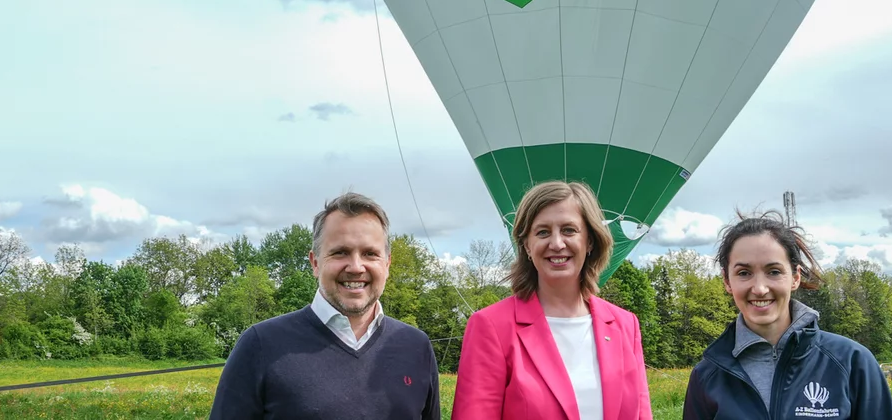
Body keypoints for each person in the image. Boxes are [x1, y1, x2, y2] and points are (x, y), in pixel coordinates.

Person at [209, 192, 440, 419]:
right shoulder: (260, 344)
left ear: (387, 264)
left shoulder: (416, 346)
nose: (356, 267)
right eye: (341, 252)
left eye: (370, 253)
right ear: (315, 262)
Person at [453, 180, 652, 420]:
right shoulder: (491, 327)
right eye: (543, 232)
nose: (557, 244)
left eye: (569, 230)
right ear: (526, 245)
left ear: (590, 241)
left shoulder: (625, 325)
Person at [681, 210, 892, 419]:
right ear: (727, 281)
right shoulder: (707, 376)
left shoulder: (852, 361)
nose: (760, 288)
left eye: (774, 272)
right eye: (744, 273)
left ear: (795, 277)